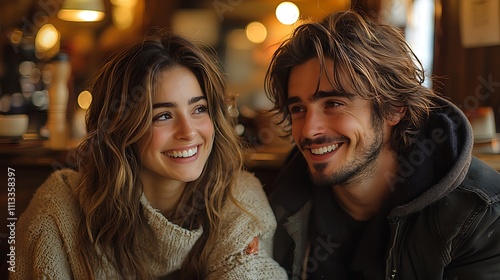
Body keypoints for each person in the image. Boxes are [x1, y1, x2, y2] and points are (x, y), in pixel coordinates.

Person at [13, 32, 287, 279]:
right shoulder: (61, 207)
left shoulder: (239, 198)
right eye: (163, 116)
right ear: (121, 129)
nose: (188, 132)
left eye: (199, 109)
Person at [264, 10, 500, 280]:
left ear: (394, 109)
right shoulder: (280, 202)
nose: (309, 129)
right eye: (298, 109)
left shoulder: (480, 214)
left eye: (333, 104)